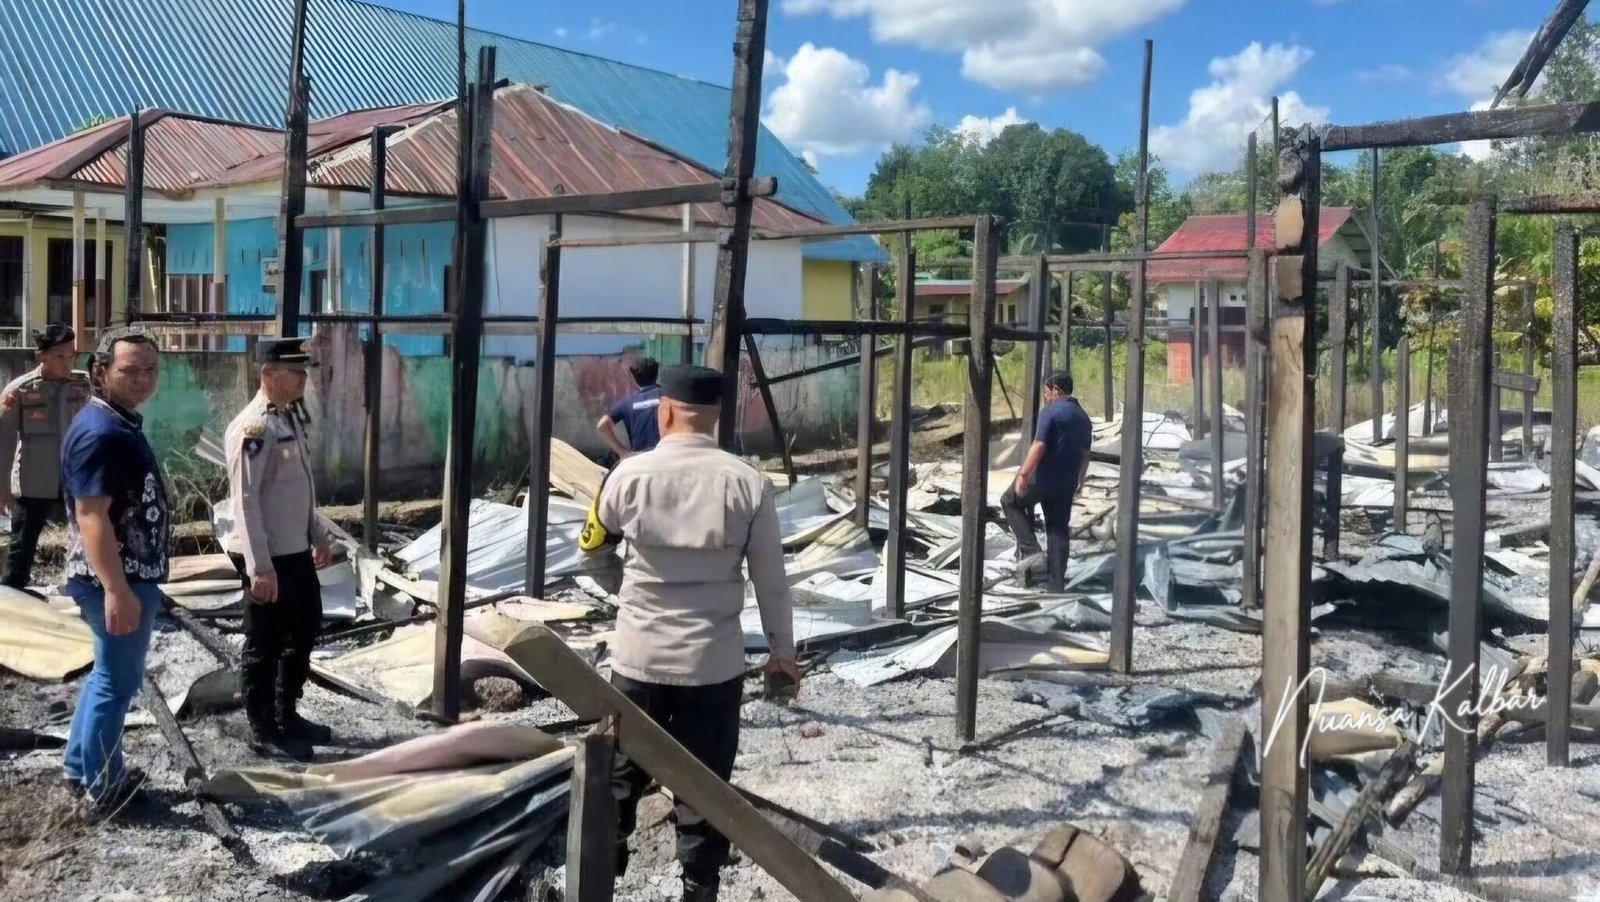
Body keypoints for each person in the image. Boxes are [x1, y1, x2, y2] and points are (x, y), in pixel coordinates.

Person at [593, 364, 799, 902]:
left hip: (638, 660)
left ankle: (598, 880)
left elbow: (593, 550)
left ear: (663, 413)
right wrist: (782, 654)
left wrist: (626, 594)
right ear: (715, 419)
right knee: (706, 784)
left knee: (618, 778)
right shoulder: (748, 483)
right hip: (713, 665)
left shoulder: (626, 477)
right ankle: (698, 888)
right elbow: (771, 582)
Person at [60, 328, 168, 812]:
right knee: (117, 683)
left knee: (106, 676)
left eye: (150, 369)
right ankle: (105, 789)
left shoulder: (115, 422)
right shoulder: (101, 432)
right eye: (130, 370)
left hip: (122, 575)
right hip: (116, 578)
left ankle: (79, 769)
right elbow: (91, 516)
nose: (143, 379)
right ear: (100, 373)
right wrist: (117, 590)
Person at [223, 337, 333, 761]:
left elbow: (300, 489)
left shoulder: (286, 419)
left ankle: (288, 714)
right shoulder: (254, 428)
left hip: (292, 550)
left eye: (304, 371)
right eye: (295, 371)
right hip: (266, 554)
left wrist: (317, 535)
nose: (304, 378)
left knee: (305, 628)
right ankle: (264, 728)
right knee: (264, 641)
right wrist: (259, 568)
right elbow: (245, 502)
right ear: (269, 375)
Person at [0, 323, 93, 591]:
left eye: (72, 356)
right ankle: (13, 595)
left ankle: (85, 588)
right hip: (35, 479)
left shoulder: (83, 385)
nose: (68, 362)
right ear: (41, 356)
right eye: (60, 356)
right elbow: (4, 442)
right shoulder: (19, 391)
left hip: (75, 479)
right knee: (23, 545)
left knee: (90, 537)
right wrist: (3, 487)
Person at [1001, 372, 1094, 593]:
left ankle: (1031, 550)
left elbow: (1039, 445)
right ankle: (1056, 587)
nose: (1045, 396)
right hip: (1067, 482)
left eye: (1046, 391)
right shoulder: (1083, 417)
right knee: (1057, 529)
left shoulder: (1050, 412)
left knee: (1009, 501)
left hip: (1042, 479)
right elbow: (1085, 453)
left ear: (1055, 389)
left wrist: (1023, 475)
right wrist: (1080, 480)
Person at [595, 356, 662, 458]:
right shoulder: (669, 396)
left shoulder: (627, 402)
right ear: (656, 374)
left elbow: (602, 424)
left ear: (633, 376)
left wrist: (623, 453)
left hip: (640, 459)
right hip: (665, 456)